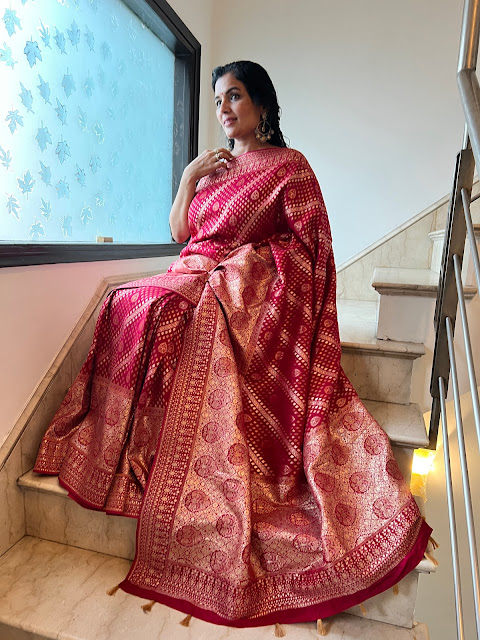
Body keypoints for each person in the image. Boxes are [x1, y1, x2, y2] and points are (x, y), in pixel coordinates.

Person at [34, 60, 431, 630]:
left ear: (262, 105)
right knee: (127, 301)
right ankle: (129, 448)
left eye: (235, 96)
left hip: (231, 280)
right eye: (218, 99)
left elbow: (310, 248)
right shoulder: (215, 170)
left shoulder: (290, 167)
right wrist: (189, 177)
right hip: (194, 265)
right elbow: (180, 234)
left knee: (164, 312)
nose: (224, 108)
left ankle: (160, 446)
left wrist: (246, 268)